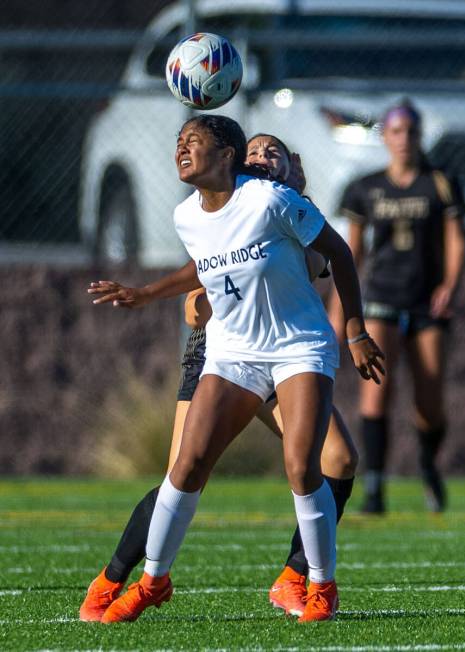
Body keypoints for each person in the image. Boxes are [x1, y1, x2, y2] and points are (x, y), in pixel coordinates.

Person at [86, 115, 384, 623]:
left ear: (226, 155)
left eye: (193, 141)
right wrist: (148, 293)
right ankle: (147, 581)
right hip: (232, 352)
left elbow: (338, 251)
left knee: (306, 465)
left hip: (297, 349)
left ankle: (317, 585)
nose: (180, 148)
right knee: (185, 466)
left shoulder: (275, 202)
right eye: (178, 141)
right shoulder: (188, 216)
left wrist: (354, 330)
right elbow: (203, 267)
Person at [334, 100, 465, 514]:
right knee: (376, 395)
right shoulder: (366, 186)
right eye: (396, 131)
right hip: (380, 297)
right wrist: (339, 308)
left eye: (411, 131)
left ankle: (428, 464)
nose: (404, 139)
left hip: (426, 302)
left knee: (429, 404)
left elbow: (456, 239)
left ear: (419, 136)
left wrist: (449, 284)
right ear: (385, 137)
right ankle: (374, 488)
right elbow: (351, 250)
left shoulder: (440, 182)